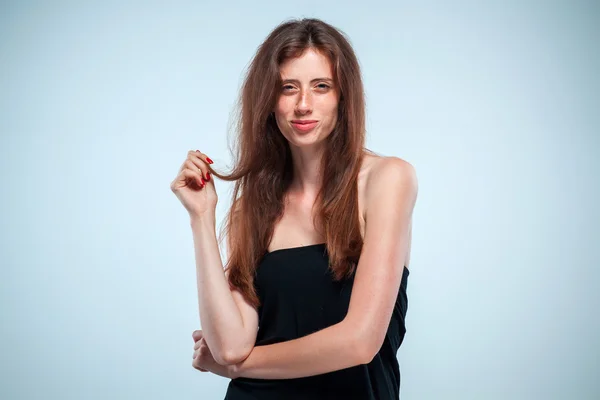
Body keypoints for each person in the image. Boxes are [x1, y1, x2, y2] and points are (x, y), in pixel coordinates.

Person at [170, 17, 418, 399]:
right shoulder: (254, 205)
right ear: (269, 101)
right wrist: (201, 217)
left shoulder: (387, 180)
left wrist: (235, 367)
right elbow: (231, 345)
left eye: (321, 87)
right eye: (288, 88)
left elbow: (360, 342)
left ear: (343, 97)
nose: (304, 105)